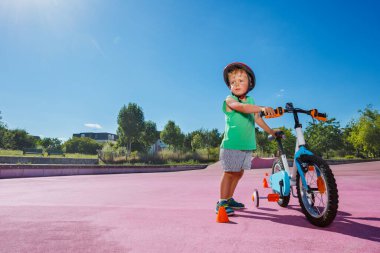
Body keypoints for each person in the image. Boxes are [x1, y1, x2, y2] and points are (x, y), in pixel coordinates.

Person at [217, 62, 278, 216]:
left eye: (240, 81)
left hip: (246, 145)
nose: (236, 84)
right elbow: (241, 108)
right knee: (229, 172)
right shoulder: (229, 100)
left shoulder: (251, 101)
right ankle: (222, 202)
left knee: (239, 173)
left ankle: (229, 198)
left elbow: (257, 119)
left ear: (250, 83)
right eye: (232, 82)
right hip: (232, 144)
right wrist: (262, 108)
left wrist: (271, 131)